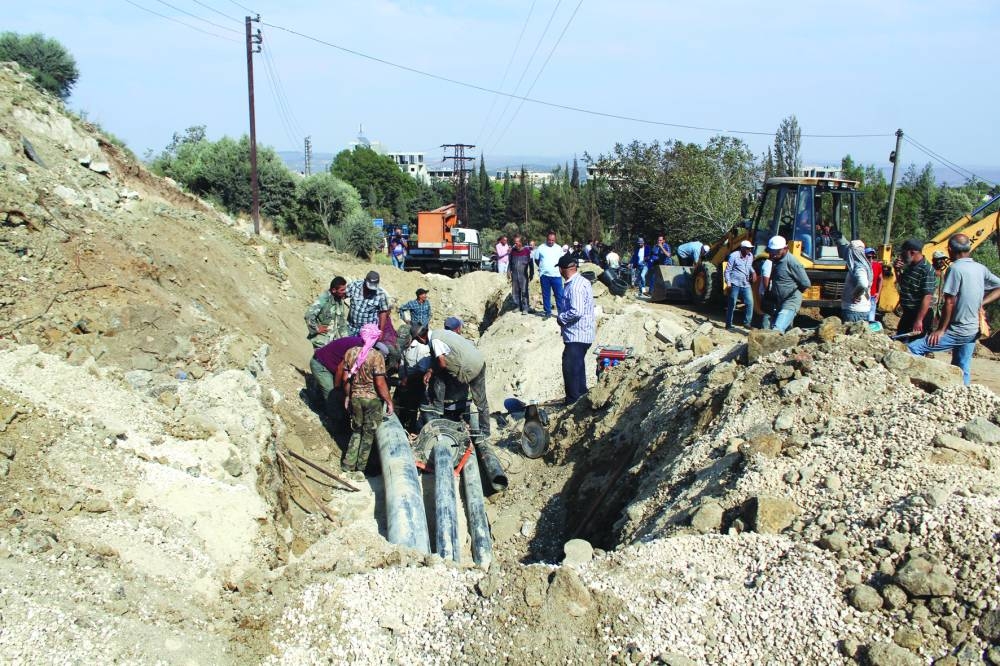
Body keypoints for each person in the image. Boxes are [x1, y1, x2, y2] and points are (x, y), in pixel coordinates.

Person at [908, 233, 1000, 385]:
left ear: (950, 250)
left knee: (913, 348)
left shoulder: (955, 269)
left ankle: (917, 384)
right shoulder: (980, 268)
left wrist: (941, 329)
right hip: (973, 329)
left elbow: (949, 302)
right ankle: (963, 394)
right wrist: (982, 303)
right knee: (962, 365)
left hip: (959, 329)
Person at [413, 324, 491, 440]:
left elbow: (442, 364)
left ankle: (437, 407)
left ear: (420, 338)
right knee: (482, 401)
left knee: (479, 400)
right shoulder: (439, 332)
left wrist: (430, 371)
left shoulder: (435, 341)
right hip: (478, 360)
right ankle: (485, 430)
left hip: (471, 368)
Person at [341, 324, 393, 473]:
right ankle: (361, 468)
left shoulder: (350, 353)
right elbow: (380, 382)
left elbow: (346, 378)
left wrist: (347, 396)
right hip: (371, 399)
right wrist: (389, 401)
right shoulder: (377, 356)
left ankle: (348, 464)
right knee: (368, 433)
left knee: (356, 430)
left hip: (355, 397)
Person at [556, 254, 596, 404]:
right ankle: (581, 396)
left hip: (577, 334)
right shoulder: (582, 281)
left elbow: (577, 311)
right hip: (582, 334)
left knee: (571, 368)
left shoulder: (575, 286)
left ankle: (572, 401)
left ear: (562, 269)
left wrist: (562, 318)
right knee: (578, 366)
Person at [310, 334, 363, 426]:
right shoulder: (358, 348)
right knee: (332, 396)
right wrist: (337, 389)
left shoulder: (361, 344)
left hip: (328, 365)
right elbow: (340, 369)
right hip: (321, 365)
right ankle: (333, 426)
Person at [764, 236, 810, 333]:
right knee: (786, 332)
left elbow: (806, 283)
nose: (773, 254)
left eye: (776, 252)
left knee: (777, 329)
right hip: (779, 301)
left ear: (785, 249)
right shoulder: (775, 260)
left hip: (790, 300)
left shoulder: (792, 262)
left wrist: (791, 292)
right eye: (771, 251)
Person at [893, 239, 935, 336]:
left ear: (912, 252)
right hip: (908, 313)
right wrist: (897, 270)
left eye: (903, 253)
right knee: (900, 339)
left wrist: (919, 320)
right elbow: (903, 284)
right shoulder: (910, 266)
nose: (901, 256)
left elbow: (927, 297)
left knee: (913, 344)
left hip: (920, 314)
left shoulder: (926, 270)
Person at [396, 323, 433, 432]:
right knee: (400, 406)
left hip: (417, 382)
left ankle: (411, 428)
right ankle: (401, 425)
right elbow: (402, 363)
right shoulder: (403, 346)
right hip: (405, 381)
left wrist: (407, 380)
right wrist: (402, 378)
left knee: (412, 407)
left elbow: (422, 371)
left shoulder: (421, 349)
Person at [305, 276, 349, 348]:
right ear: (334, 290)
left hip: (331, 341)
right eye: (342, 290)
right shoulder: (324, 299)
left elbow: (341, 322)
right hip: (321, 341)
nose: (345, 291)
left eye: (345, 289)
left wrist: (346, 340)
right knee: (318, 359)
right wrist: (316, 328)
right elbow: (309, 315)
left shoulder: (339, 300)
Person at [724, 240, 756, 330]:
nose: (749, 250)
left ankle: (747, 323)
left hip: (745, 283)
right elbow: (727, 271)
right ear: (742, 248)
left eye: (750, 249)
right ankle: (728, 324)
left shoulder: (750, 256)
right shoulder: (734, 256)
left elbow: (749, 266)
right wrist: (729, 283)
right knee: (732, 303)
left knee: (750, 302)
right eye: (747, 249)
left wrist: (753, 272)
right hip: (735, 283)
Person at [532, 231, 565, 319]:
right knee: (546, 294)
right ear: (546, 239)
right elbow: (536, 259)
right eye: (549, 240)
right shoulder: (541, 248)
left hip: (556, 275)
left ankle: (561, 313)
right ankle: (547, 312)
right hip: (545, 276)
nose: (551, 242)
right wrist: (542, 268)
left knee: (559, 295)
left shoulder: (558, 248)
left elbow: (562, 260)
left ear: (555, 240)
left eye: (552, 240)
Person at [346, 271, 390, 336]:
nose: (370, 290)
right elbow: (342, 296)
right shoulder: (354, 286)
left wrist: (381, 331)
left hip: (368, 331)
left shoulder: (380, 295)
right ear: (365, 280)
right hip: (351, 327)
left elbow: (383, 312)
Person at [839, 239, 872, 323]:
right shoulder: (864, 265)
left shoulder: (858, 267)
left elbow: (863, 284)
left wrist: (855, 295)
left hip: (854, 311)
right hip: (860, 309)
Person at [509, 235, 534, 314]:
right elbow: (510, 262)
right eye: (515, 243)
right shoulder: (513, 251)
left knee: (524, 291)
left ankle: (525, 308)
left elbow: (531, 263)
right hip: (515, 275)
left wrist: (532, 273)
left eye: (517, 243)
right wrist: (508, 271)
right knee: (515, 291)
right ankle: (517, 306)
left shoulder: (527, 251)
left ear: (521, 243)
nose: (515, 244)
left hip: (524, 275)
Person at [930, 250, 951, 329]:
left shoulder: (942, 273)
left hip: (938, 307)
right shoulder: (929, 271)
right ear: (934, 260)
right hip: (929, 306)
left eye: (943, 259)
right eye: (940, 259)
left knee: (933, 328)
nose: (942, 261)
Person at [865, 248, 884, 323]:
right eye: (868, 257)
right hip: (863, 296)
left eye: (873, 257)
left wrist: (878, 293)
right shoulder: (860, 267)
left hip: (872, 296)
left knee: (871, 317)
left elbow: (880, 279)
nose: (871, 259)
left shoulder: (877, 266)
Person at [757, 256, 773, 328]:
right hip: (766, 293)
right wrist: (769, 292)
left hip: (767, 292)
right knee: (767, 313)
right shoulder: (768, 264)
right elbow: (766, 280)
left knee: (769, 313)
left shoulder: (770, 263)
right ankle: (765, 331)